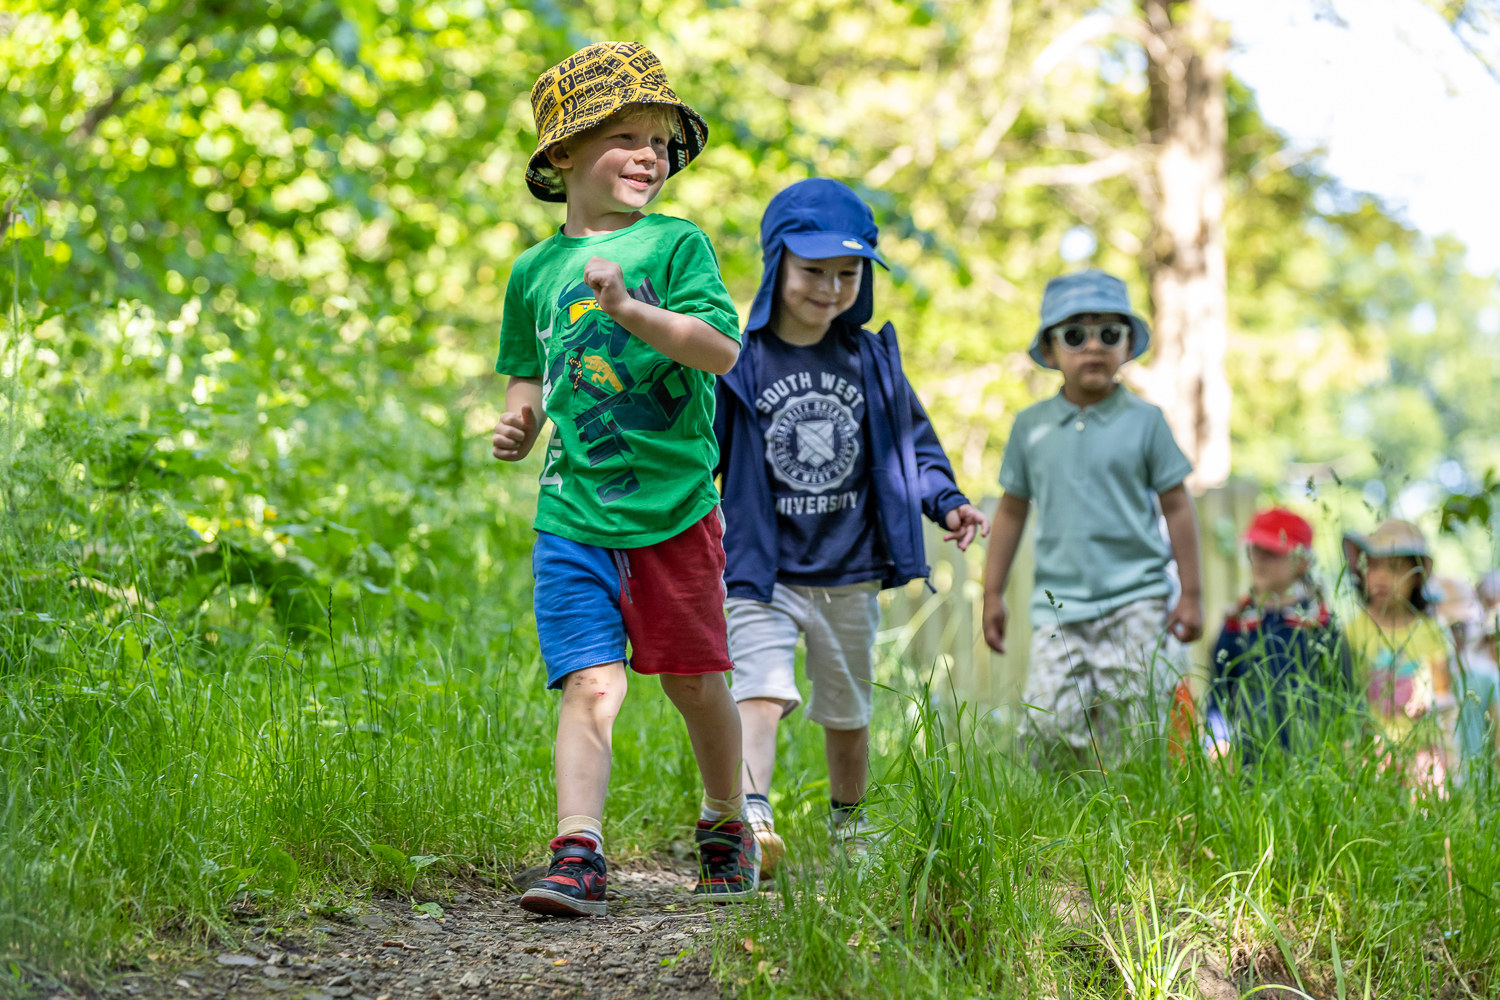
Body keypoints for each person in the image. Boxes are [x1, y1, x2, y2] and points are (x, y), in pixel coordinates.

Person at [491, 41, 756, 917]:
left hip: (675, 510)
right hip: (572, 511)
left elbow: (719, 351)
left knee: (693, 682)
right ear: (563, 153)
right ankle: (578, 851)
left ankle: (725, 820)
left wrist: (631, 309)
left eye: (661, 142)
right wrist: (522, 419)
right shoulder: (533, 271)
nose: (651, 155)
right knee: (591, 682)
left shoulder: (676, 244)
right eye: (626, 137)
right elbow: (528, 371)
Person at [714, 178, 990, 871]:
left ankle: (850, 823)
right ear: (777, 262)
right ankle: (750, 819)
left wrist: (948, 501)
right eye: (814, 271)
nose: (831, 288)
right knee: (760, 688)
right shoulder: (736, 361)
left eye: (848, 273)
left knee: (848, 708)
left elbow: (915, 448)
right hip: (763, 566)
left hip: (850, 566)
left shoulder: (870, 360)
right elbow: (700, 452)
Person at [981, 269, 1203, 763]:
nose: (1094, 346)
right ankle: (1063, 808)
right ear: (1050, 348)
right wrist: (992, 593)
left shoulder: (1146, 421)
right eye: (1075, 336)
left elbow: (1177, 506)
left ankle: (1136, 805)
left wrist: (1190, 594)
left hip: (1137, 601)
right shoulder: (1031, 428)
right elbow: (1011, 512)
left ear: (1128, 345)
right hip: (1059, 609)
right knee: (1046, 728)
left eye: (1109, 333)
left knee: (1138, 728)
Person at [1203, 508, 1350, 764]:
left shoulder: (1320, 624)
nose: (1259, 560)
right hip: (1249, 761)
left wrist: (1344, 745)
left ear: (1301, 561)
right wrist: (1218, 742)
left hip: (1313, 759)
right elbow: (1219, 693)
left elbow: (1343, 693)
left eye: (1271, 553)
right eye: (1255, 550)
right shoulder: (1237, 624)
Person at [1341, 520, 1454, 792]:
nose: (1381, 577)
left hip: (1423, 754)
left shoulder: (1430, 631)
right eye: (1373, 566)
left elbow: (1444, 697)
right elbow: (1344, 698)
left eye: (1394, 568)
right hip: (1370, 752)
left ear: (1415, 575)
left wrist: (1448, 753)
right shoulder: (1353, 631)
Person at [1431, 575, 1500, 786]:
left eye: (1462, 626)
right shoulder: (1424, 673)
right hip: (1434, 781)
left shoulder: (1487, 674)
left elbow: (1497, 734)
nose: (1458, 634)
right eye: (1452, 627)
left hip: (1479, 782)